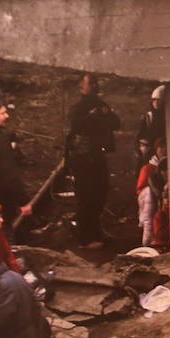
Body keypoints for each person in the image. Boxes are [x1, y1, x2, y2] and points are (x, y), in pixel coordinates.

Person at [67, 73, 121, 248]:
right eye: (91, 83)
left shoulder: (99, 104)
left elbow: (116, 123)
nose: (95, 86)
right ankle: (86, 238)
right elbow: (77, 127)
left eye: (96, 83)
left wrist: (104, 114)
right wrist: (95, 116)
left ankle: (96, 231)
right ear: (81, 87)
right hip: (82, 158)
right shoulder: (79, 108)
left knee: (100, 193)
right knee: (87, 196)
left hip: (97, 155)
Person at [136, 139, 170, 251]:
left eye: (165, 147)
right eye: (160, 147)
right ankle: (148, 242)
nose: (163, 150)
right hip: (152, 199)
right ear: (156, 150)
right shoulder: (147, 168)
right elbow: (140, 189)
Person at [135, 85, 166, 161]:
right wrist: (143, 146)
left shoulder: (167, 116)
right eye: (154, 100)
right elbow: (141, 134)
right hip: (150, 150)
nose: (156, 102)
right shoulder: (149, 116)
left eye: (159, 100)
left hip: (163, 149)